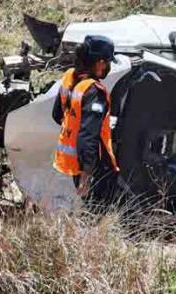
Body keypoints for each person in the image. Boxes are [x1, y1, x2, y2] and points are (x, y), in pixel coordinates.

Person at [52, 35, 121, 206]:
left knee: (90, 209)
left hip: (76, 163)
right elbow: (88, 136)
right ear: (99, 63)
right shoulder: (94, 91)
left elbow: (57, 115)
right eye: (108, 62)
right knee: (98, 213)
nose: (109, 67)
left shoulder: (69, 78)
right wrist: (87, 174)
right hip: (92, 168)